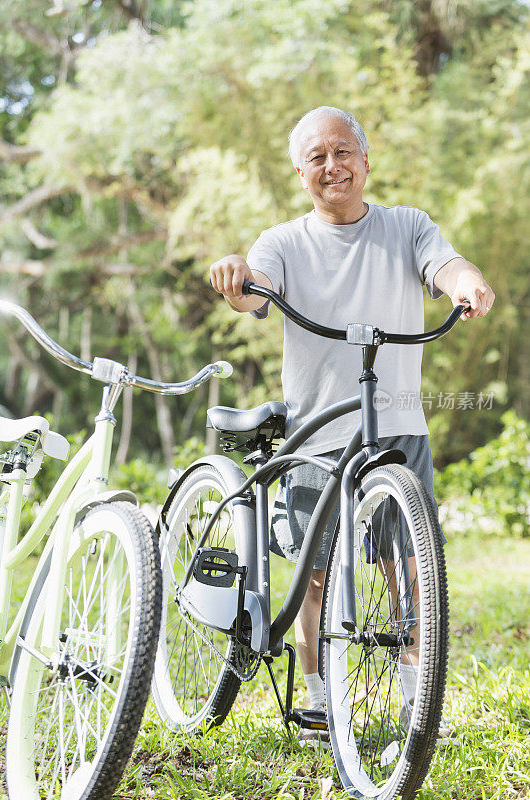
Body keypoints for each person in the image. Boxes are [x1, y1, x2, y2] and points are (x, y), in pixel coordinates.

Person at [210, 106, 495, 741]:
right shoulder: (283, 241)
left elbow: (446, 266)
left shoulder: (406, 226)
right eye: (317, 157)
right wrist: (235, 278)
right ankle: (317, 698)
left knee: (412, 568)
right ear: (300, 171)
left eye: (343, 153)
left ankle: (416, 702)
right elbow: (256, 289)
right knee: (314, 575)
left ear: (366, 162)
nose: (332, 166)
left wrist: (467, 282)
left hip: (398, 429)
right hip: (319, 430)